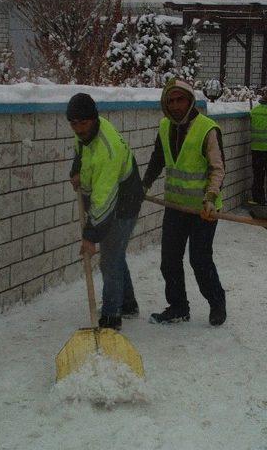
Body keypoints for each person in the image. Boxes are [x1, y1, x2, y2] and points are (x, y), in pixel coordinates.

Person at [142, 79, 227, 326]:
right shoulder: (164, 127)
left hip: (204, 209)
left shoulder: (207, 129)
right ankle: (178, 307)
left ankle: (217, 302)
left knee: (199, 260)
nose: (176, 105)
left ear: (190, 101)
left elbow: (218, 169)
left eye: (181, 100)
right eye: (171, 100)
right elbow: (158, 159)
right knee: (169, 260)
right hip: (176, 207)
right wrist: (144, 184)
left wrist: (210, 198)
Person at [68, 93, 144, 330]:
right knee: (116, 254)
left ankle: (112, 316)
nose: (78, 129)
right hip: (110, 195)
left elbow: (103, 201)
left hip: (124, 202)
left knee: (109, 258)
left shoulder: (107, 150)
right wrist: (76, 170)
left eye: (83, 123)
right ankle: (128, 303)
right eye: (74, 123)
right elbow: (80, 151)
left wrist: (90, 237)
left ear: (94, 119)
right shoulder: (85, 134)